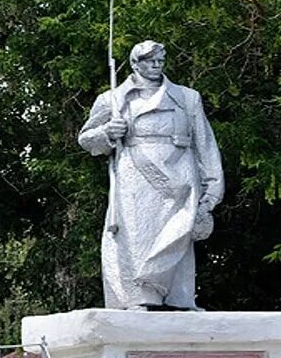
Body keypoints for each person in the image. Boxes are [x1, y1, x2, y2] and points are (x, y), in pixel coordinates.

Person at [78, 41, 224, 310]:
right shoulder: (112, 99)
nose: (157, 64)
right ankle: (139, 296)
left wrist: (212, 190)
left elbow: (204, 144)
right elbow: (86, 139)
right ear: (135, 64)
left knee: (178, 232)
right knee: (137, 236)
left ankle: (179, 298)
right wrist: (108, 132)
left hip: (180, 174)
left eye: (160, 59)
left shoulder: (187, 98)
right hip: (135, 174)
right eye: (149, 60)